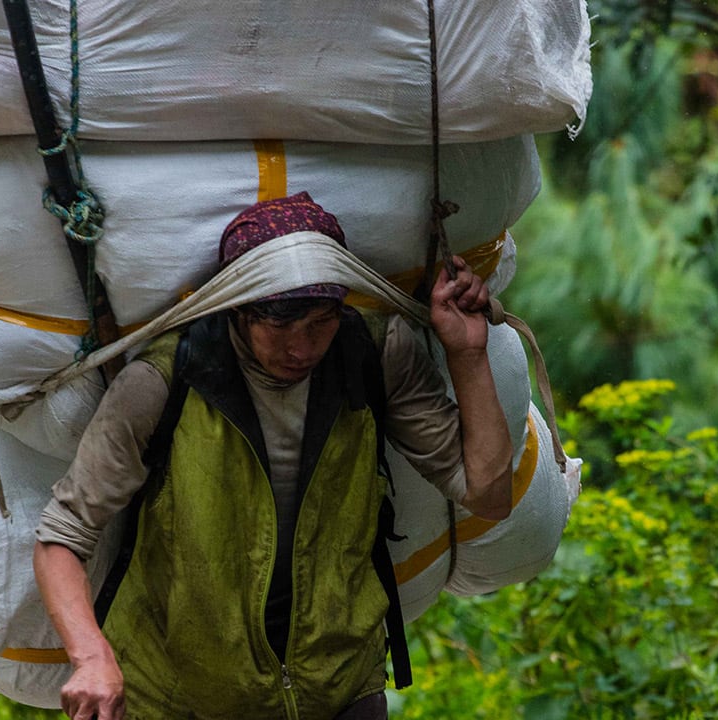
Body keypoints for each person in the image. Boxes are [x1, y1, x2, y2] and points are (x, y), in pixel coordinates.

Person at [33, 191, 513, 720]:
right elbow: (62, 536)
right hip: (181, 699)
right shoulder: (166, 380)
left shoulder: (373, 354)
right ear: (238, 306)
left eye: (321, 322)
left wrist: (467, 353)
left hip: (339, 690)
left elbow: (488, 495)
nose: (301, 348)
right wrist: (93, 658)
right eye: (279, 325)